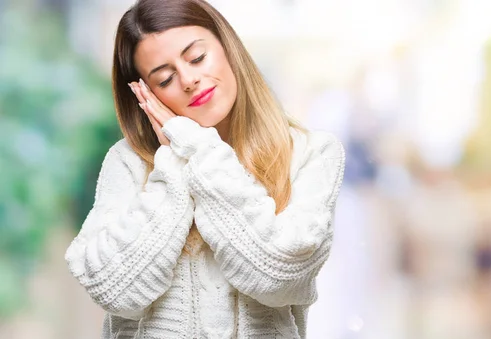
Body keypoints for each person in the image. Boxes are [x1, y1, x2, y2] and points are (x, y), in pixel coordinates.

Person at [64, 0, 345, 338]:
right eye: (165, 79)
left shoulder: (312, 152)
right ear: (145, 94)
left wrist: (195, 147)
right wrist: (172, 170)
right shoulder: (129, 162)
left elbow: (277, 277)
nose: (189, 80)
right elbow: (115, 290)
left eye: (197, 58)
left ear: (228, 47)